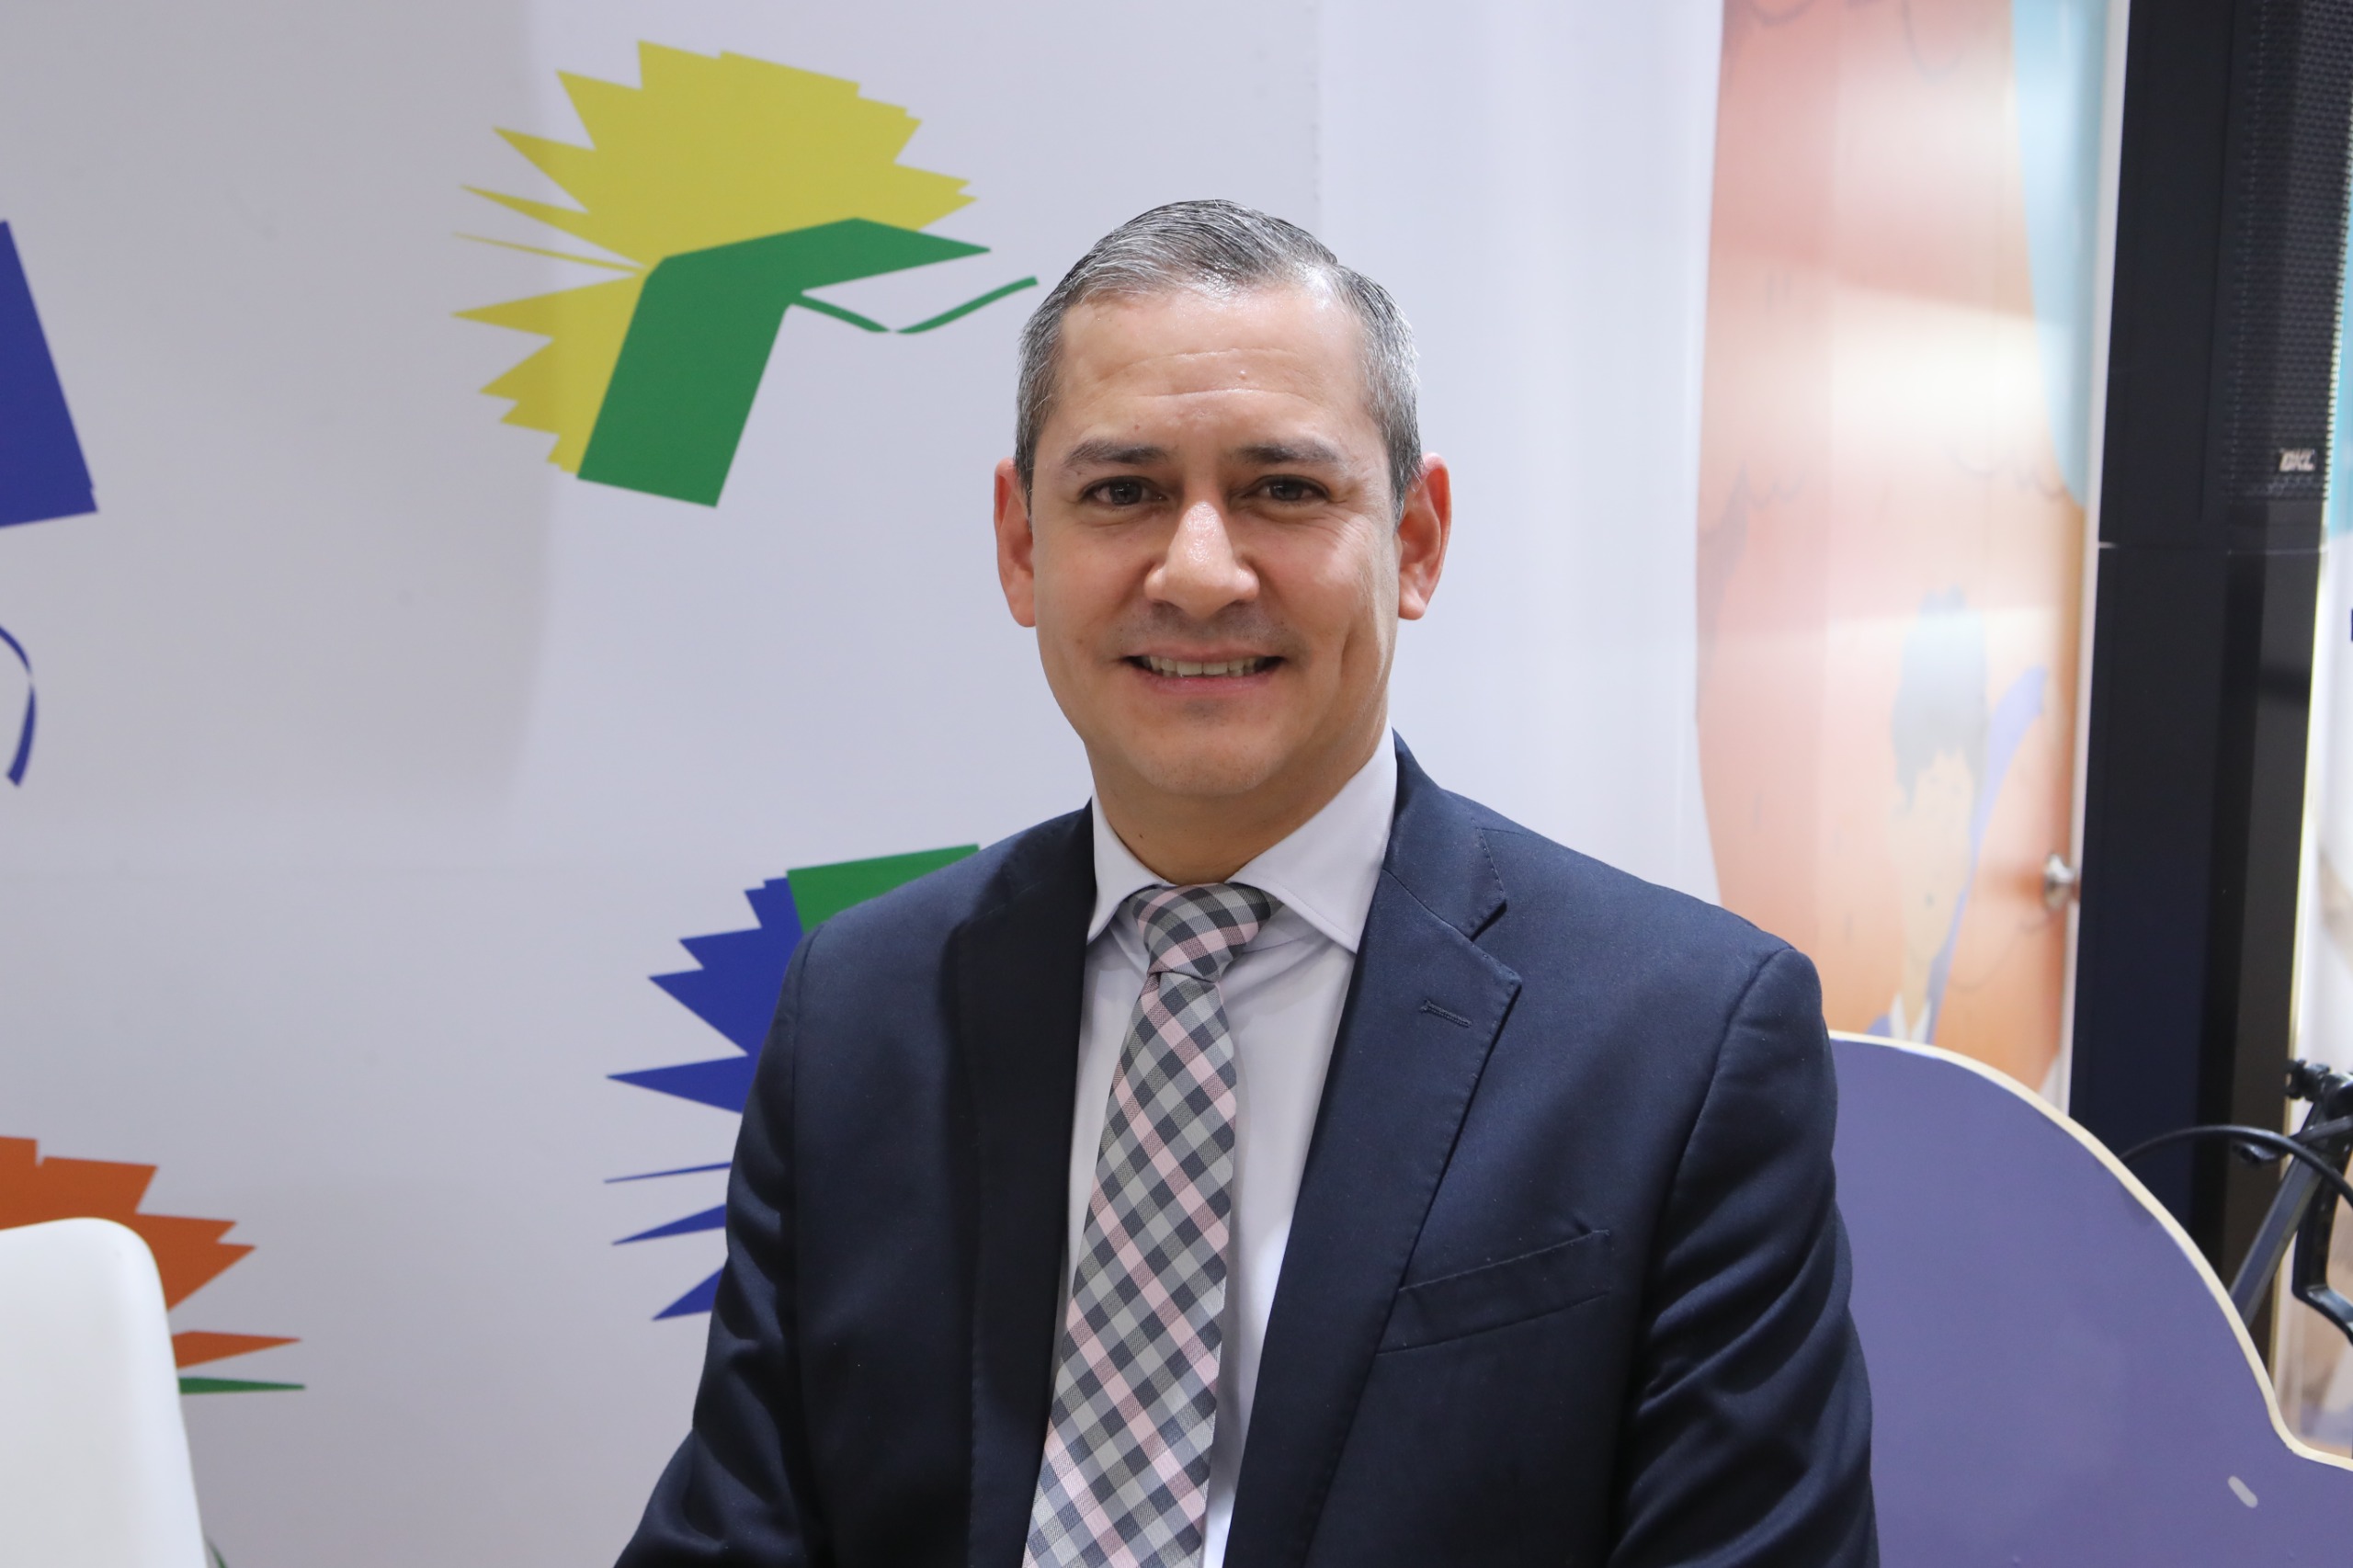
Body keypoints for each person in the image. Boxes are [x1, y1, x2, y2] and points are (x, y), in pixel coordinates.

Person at [616, 200, 1876, 1568]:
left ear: (1415, 540)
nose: (1202, 574)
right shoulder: (860, 1008)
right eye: (1123, 492)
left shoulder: (1682, 1038)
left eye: (1284, 490)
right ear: (1023, 546)